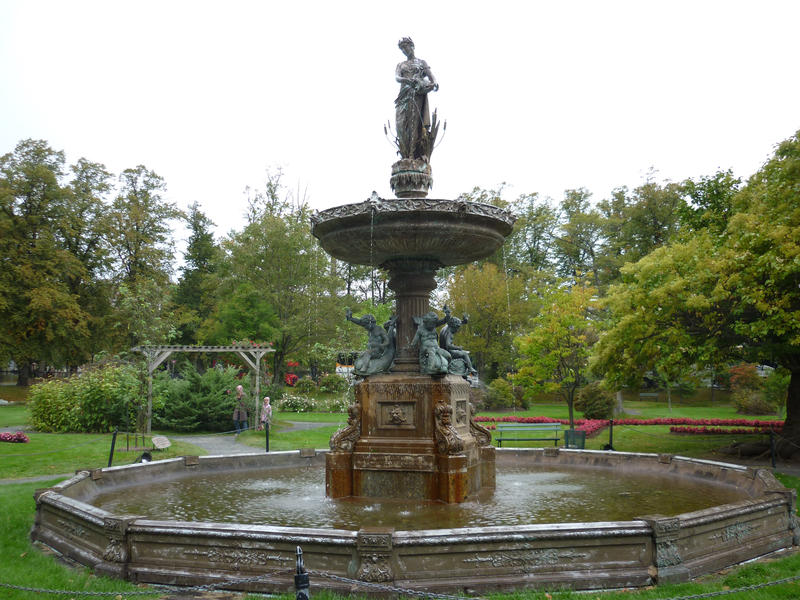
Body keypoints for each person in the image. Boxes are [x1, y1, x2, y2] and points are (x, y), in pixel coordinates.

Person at [395, 37, 438, 160]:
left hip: (416, 94)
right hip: (403, 96)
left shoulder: (421, 62)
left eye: (405, 47)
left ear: (412, 46)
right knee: (400, 125)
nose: (404, 50)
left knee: (414, 123)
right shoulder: (401, 65)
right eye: (402, 48)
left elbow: (431, 77)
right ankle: (405, 152)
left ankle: (412, 155)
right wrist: (407, 80)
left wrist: (434, 83)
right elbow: (397, 77)